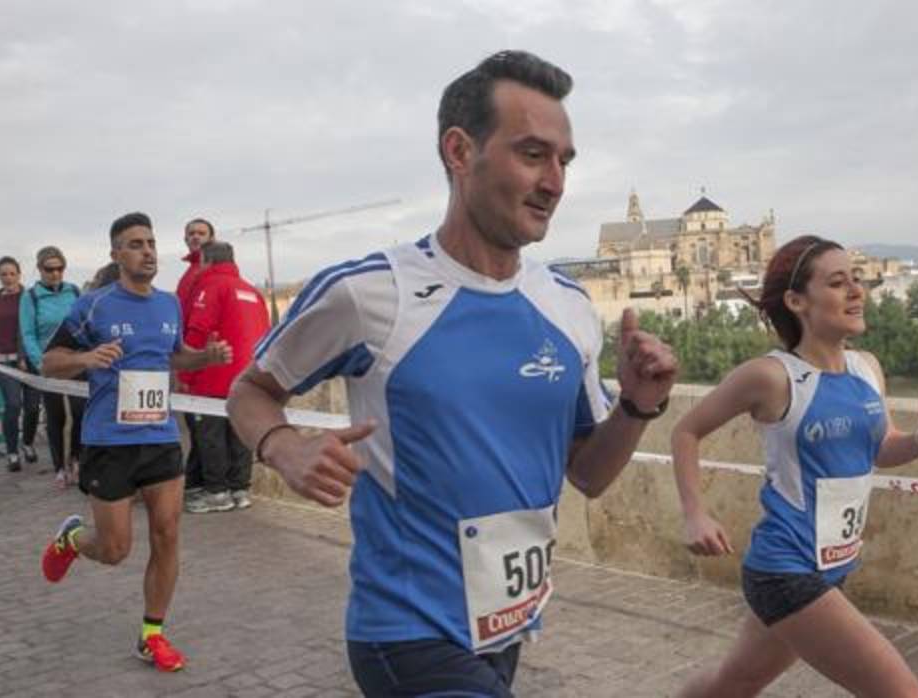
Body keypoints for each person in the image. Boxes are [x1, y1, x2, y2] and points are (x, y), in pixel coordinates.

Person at [226, 50, 677, 697]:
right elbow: (251, 390)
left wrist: (636, 406)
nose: (555, 181)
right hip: (406, 631)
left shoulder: (570, 307)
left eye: (564, 160)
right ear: (460, 152)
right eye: (532, 154)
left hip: (508, 625)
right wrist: (282, 445)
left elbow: (590, 472)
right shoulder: (370, 293)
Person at [671, 235, 918, 698]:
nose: (856, 292)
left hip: (834, 566)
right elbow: (685, 431)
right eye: (839, 283)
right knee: (900, 692)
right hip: (785, 569)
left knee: (735, 684)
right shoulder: (772, 376)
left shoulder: (867, 369)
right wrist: (694, 513)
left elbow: (880, 448)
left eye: (858, 280)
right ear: (796, 301)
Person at [39, 212, 232, 673]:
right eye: (134, 244)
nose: (147, 251)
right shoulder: (94, 305)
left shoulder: (169, 305)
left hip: (161, 437)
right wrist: (86, 357)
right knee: (114, 550)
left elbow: (174, 355)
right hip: (109, 442)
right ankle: (70, 539)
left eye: (150, 243)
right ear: (116, 255)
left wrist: (204, 356)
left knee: (167, 536)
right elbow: (49, 362)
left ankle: (152, 635)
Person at [182, 241, 270, 513]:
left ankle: (217, 492)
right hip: (249, 376)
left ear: (207, 261)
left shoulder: (211, 286)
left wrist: (185, 371)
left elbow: (197, 330)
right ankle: (240, 489)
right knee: (240, 433)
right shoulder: (252, 291)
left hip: (214, 373)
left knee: (211, 434)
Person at [20, 246, 85, 488]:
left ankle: (77, 458)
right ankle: (59, 467)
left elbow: (83, 325)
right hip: (49, 365)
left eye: (60, 268)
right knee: (56, 416)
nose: (56, 274)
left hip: (76, 362)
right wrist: (40, 363)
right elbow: (28, 334)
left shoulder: (74, 292)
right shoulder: (31, 297)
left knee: (81, 412)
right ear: (40, 269)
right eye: (50, 269)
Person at [0, 256, 40, 471]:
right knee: (13, 406)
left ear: (19, 274)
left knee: (33, 408)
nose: (8, 278)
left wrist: (25, 357)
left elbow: (30, 330)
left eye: (12, 273)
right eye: (3, 274)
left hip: (29, 361)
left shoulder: (29, 298)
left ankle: (27, 443)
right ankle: (12, 453)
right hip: (3, 361)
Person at [177, 218, 215, 497]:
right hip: (189, 357)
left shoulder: (209, 272)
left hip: (205, 361)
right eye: (191, 233)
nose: (195, 237)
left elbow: (199, 324)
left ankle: (201, 484)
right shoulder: (190, 272)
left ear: (212, 237)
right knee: (196, 426)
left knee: (204, 427)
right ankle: (197, 482)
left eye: (201, 233)